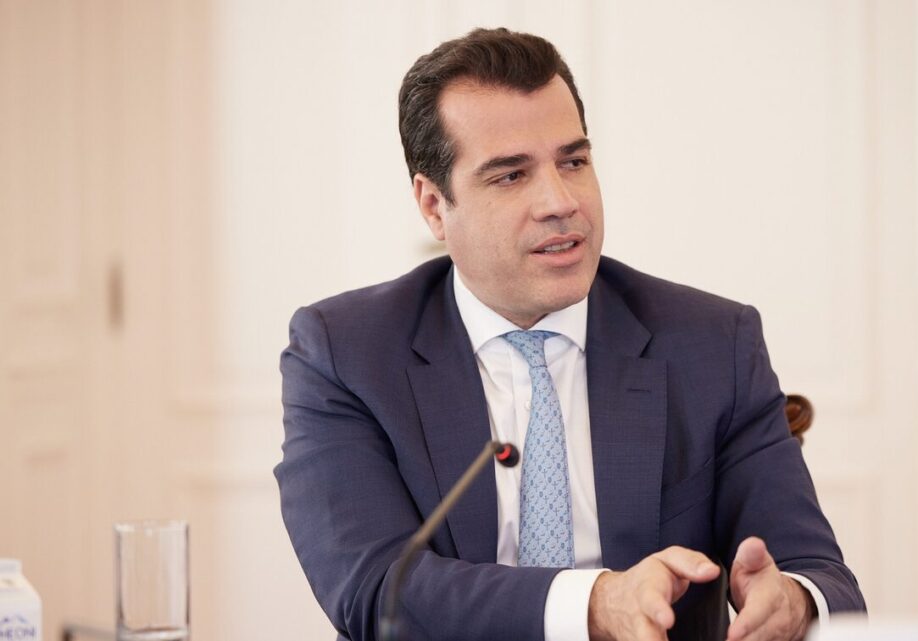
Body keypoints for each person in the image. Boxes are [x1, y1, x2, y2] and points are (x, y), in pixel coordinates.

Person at [275, 27, 865, 641]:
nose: (561, 202)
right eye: (511, 175)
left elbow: (824, 578)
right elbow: (374, 593)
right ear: (433, 205)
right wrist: (594, 605)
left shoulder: (713, 344)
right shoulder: (344, 353)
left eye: (573, 162)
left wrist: (793, 602)